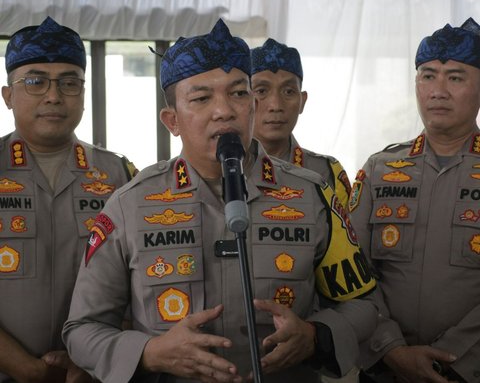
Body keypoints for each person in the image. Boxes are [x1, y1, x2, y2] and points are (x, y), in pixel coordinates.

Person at [63, 19, 378, 383]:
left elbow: (364, 305)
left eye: (239, 93)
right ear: (172, 120)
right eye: (201, 98)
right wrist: (150, 353)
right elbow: (83, 329)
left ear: (253, 108)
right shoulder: (130, 204)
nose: (224, 110)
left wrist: (315, 336)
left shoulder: (312, 195)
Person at [0, 16, 137, 382]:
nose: (53, 95)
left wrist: (96, 357)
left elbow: (137, 283)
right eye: (35, 81)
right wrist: (23, 367)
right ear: (8, 94)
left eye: (69, 82)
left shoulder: (119, 176)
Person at [350, 18, 480, 383]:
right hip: (385, 367)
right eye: (427, 76)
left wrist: (454, 360)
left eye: (455, 77)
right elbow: (350, 272)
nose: (438, 90)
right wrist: (391, 350)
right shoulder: (379, 169)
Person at [250, 39, 352, 209]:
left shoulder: (327, 173)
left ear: (302, 101)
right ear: (243, 99)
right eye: (261, 91)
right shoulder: (222, 170)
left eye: (288, 92)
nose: (275, 105)